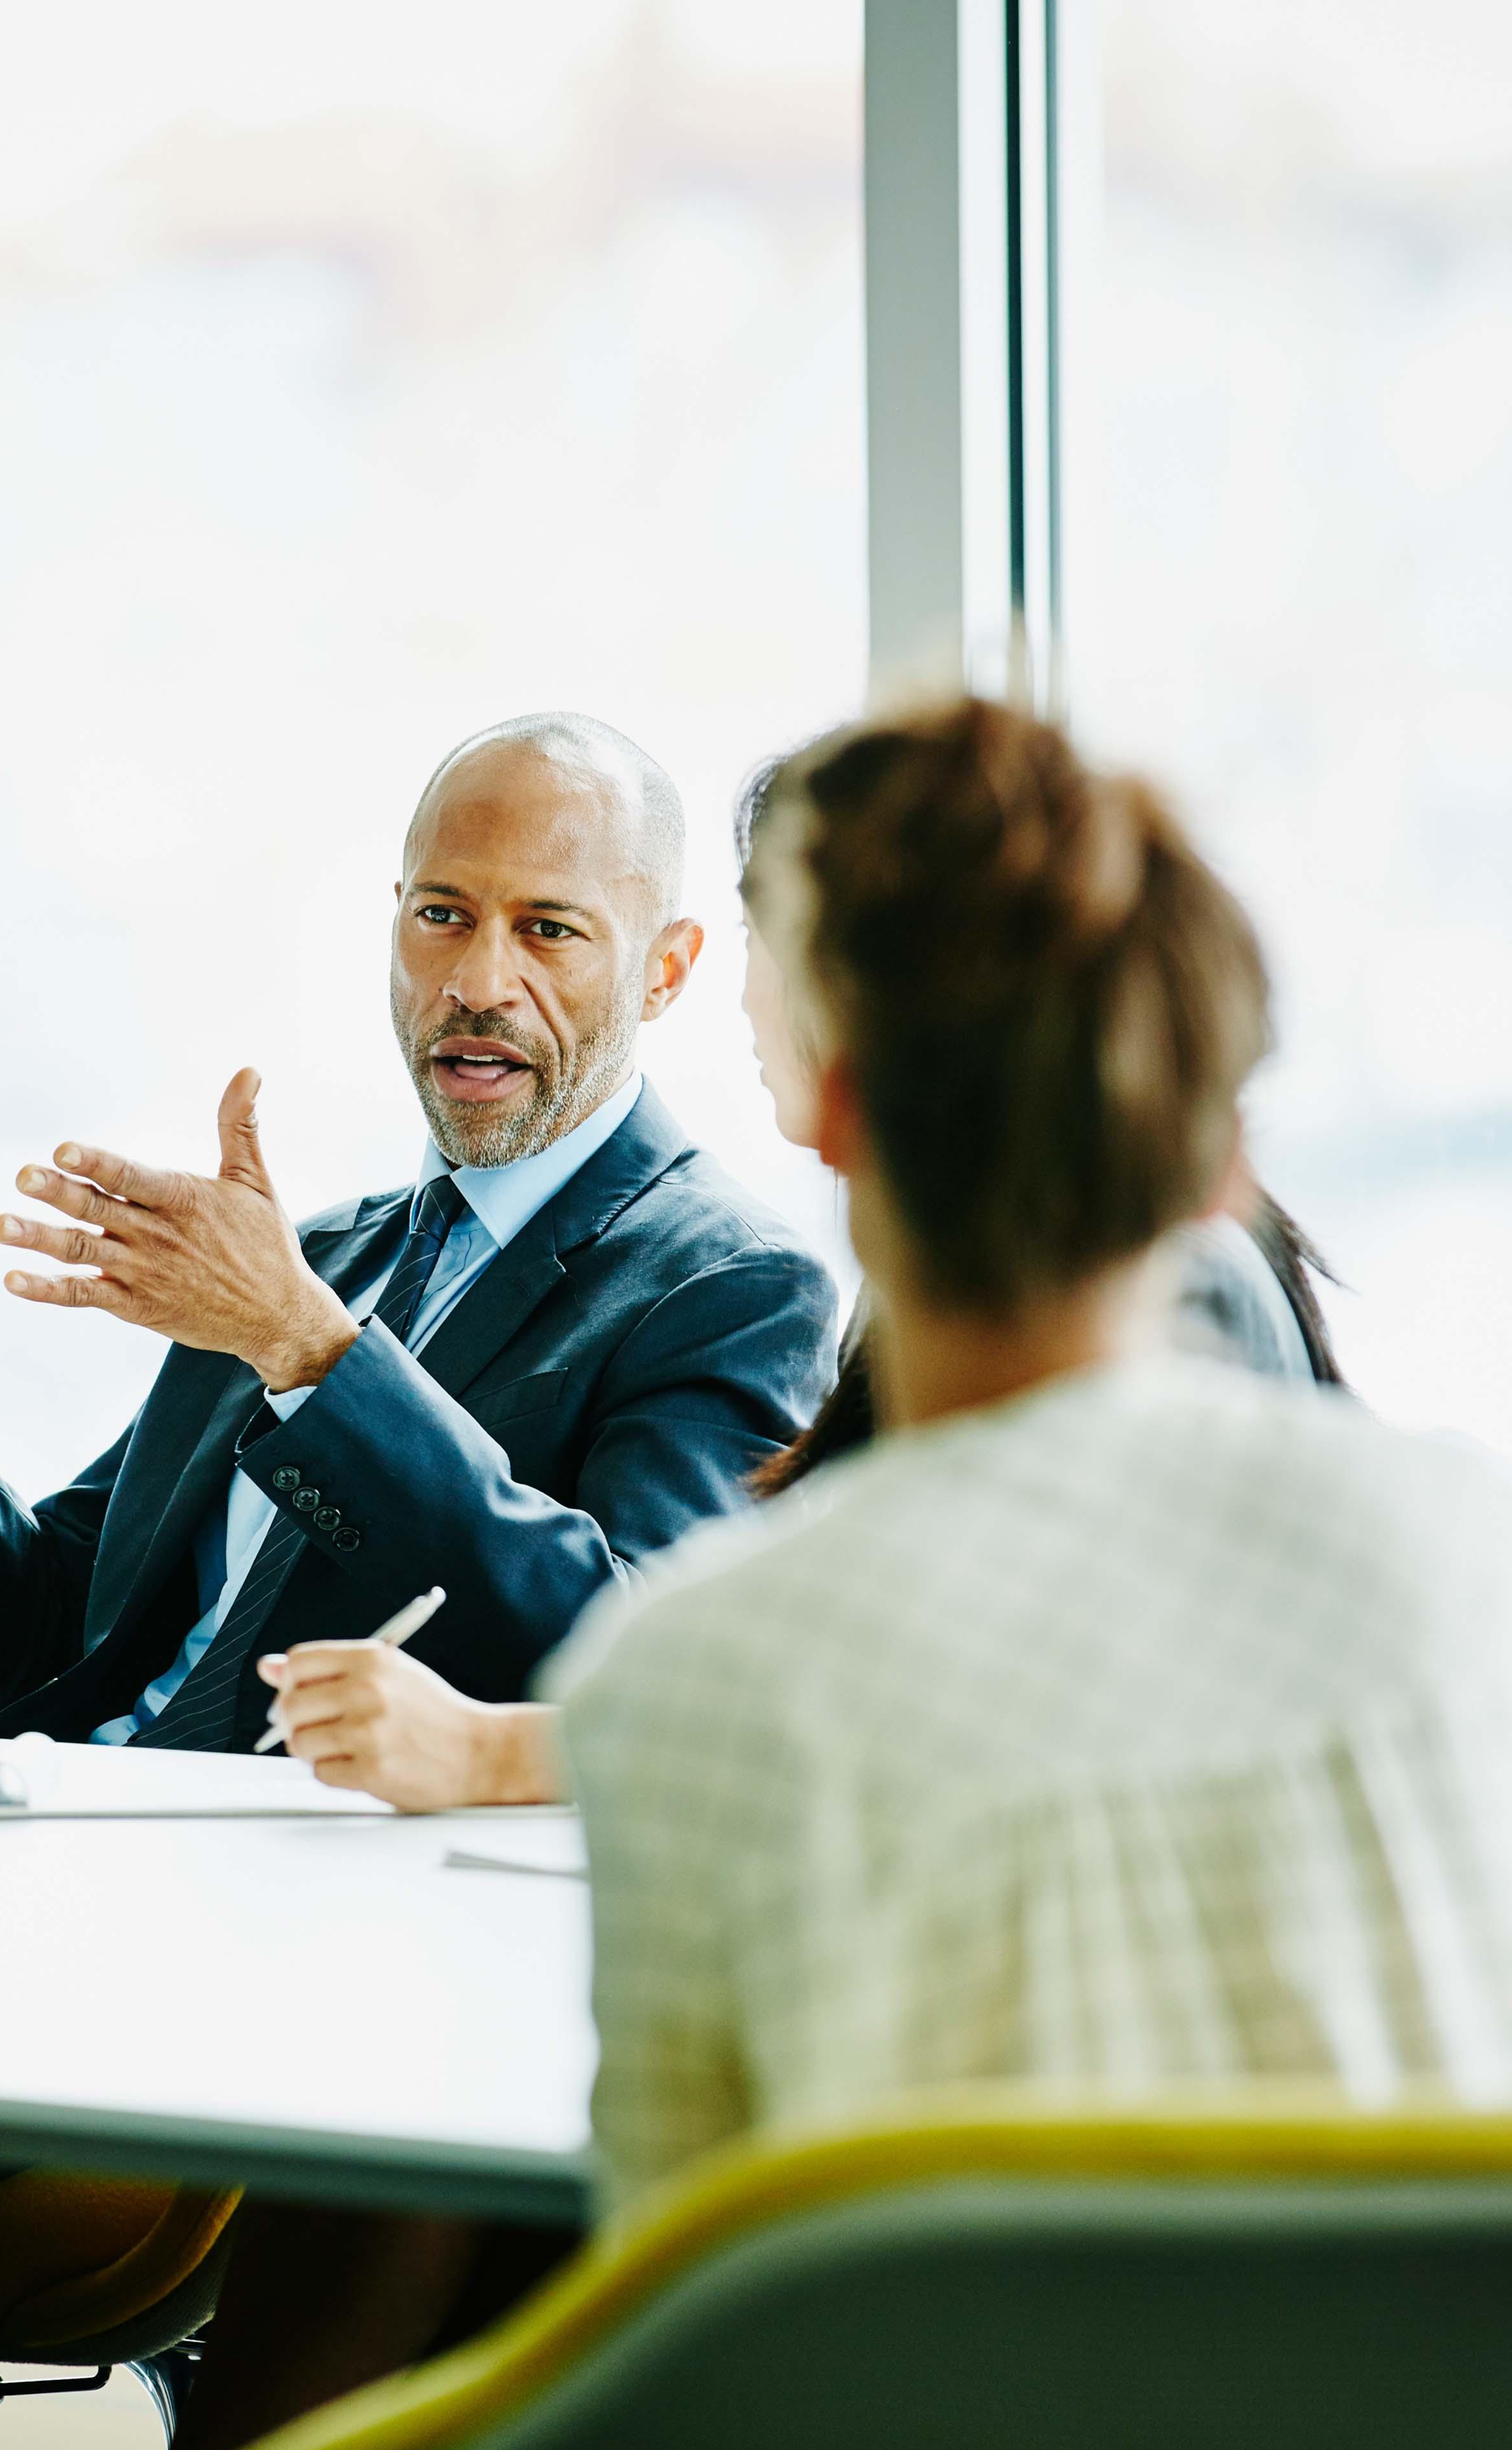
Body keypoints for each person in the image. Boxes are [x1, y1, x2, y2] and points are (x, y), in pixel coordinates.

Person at [548, 697, 1512, 2209]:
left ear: (834, 1108)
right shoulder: (1464, 1547)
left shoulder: (686, 1686)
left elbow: (685, 2302)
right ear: (1213, 1141)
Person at [0, 712, 839, 1751]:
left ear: (667, 973)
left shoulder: (731, 1286)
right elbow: (27, 1646)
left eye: (550, 930)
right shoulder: (309, 1260)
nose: (477, 981)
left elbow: (636, 1678)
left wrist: (311, 1354)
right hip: (77, 1839)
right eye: (443, 915)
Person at [261, 737, 1350, 1807]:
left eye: (766, 939)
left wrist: (485, 1756)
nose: (744, 996)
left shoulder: (1157, 1282)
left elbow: (968, 1726)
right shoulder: (957, 1280)